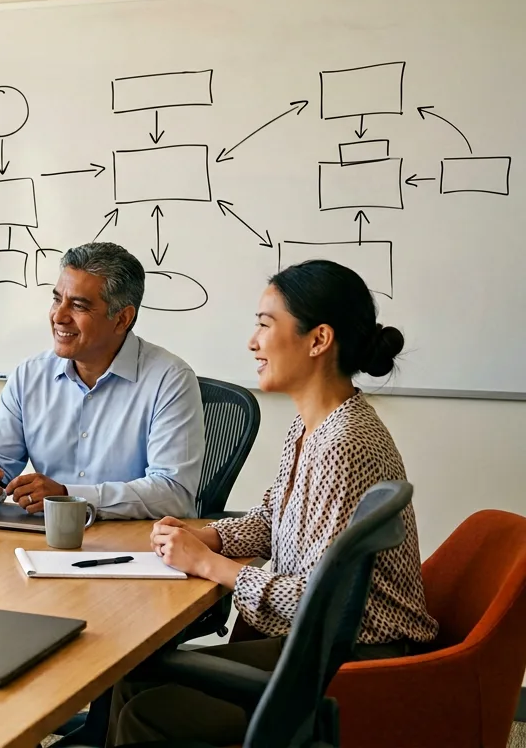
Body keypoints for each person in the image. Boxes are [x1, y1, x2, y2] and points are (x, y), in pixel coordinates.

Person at [109, 260, 439, 747]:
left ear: (318, 340)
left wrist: (210, 564)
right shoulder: (311, 425)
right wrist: (211, 536)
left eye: (265, 324)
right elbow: (271, 520)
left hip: (356, 656)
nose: (252, 341)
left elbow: (318, 597)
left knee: (150, 714)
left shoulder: (344, 442)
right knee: (133, 678)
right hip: (325, 642)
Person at [0, 242, 204, 520]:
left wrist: (69, 496)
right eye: (56, 299)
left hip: (136, 548)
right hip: (45, 540)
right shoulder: (30, 375)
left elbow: (173, 493)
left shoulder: (170, 380)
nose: (59, 316)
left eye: (78, 305)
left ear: (122, 319)